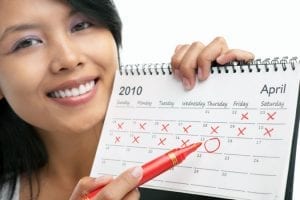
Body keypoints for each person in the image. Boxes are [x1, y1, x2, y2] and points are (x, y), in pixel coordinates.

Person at [0, 0, 254, 199]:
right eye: (27, 42)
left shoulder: (194, 171)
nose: (68, 58)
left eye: (81, 25)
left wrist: (235, 98)